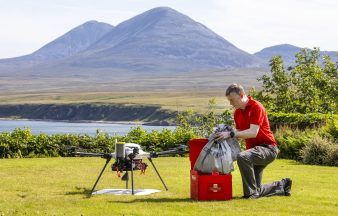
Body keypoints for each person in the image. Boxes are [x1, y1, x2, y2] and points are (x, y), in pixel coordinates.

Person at [215, 83, 292, 199]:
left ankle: (250, 195)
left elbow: (252, 132)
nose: (230, 103)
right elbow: (240, 135)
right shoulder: (237, 113)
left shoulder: (256, 107)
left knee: (242, 157)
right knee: (257, 189)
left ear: (241, 95)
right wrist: (224, 134)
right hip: (253, 152)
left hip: (268, 149)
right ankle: (283, 185)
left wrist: (230, 134)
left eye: (232, 100)